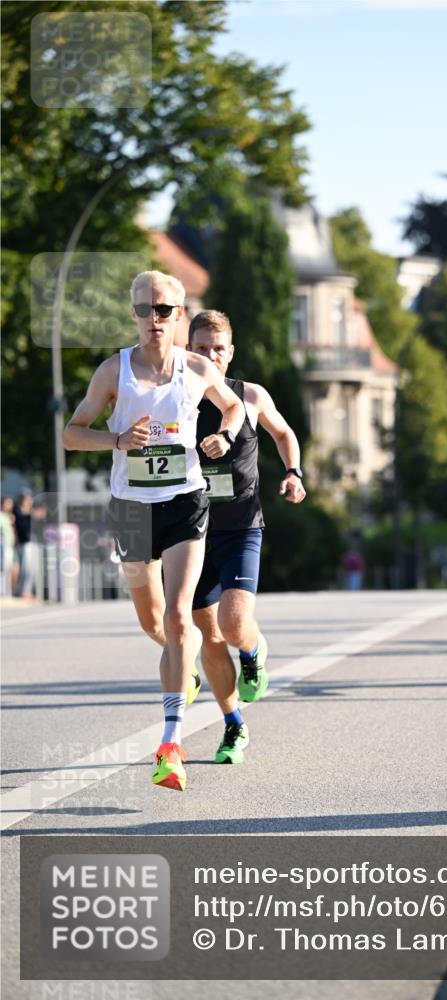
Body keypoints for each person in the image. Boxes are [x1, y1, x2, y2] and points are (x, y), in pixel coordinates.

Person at [64, 271, 246, 791]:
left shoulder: (195, 368)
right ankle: (182, 671)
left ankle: (171, 741)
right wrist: (118, 439)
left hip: (185, 501)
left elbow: (231, 405)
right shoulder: (112, 371)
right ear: (133, 315)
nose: (153, 319)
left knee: (179, 614)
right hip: (130, 508)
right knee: (153, 624)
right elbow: (73, 434)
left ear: (179, 315)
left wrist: (224, 437)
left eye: (163, 309)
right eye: (144, 310)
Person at [188, 310, 306, 764]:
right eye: (200, 348)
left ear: (230, 352)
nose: (210, 356)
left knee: (235, 624)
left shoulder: (250, 395)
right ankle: (233, 726)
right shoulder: (176, 399)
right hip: (191, 531)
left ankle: (254, 651)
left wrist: (293, 473)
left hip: (240, 527)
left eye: (218, 348)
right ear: (188, 350)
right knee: (209, 637)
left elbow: (284, 432)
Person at [0, 496, 16, 597]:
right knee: (2, 568)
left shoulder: (9, 516)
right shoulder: (1, 516)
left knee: (8, 568)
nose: (10, 506)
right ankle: (2, 591)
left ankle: (7, 591)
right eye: (8, 503)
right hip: (3, 545)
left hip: (9, 546)